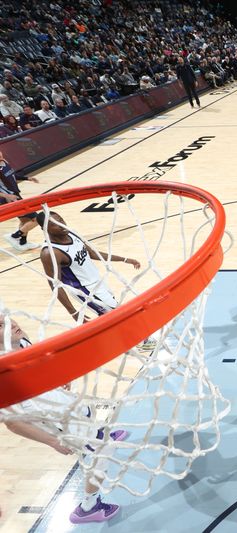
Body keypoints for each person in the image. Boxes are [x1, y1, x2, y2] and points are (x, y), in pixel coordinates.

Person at [0, 315, 127, 524]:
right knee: (105, 449)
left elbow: (43, 363)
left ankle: (97, 435)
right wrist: (52, 442)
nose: (11, 324)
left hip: (67, 402)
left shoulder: (22, 341)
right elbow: (13, 423)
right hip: (60, 424)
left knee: (108, 407)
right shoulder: (4, 375)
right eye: (0, 325)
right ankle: (89, 506)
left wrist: (58, 375)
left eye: (7, 319)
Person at [36, 211, 155, 349]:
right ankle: (143, 343)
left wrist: (124, 259)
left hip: (98, 281)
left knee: (110, 313)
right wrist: (73, 312)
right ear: (45, 229)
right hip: (86, 290)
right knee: (119, 313)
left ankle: (112, 338)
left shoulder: (71, 234)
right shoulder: (50, 253)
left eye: (61, 220)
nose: (61, 225)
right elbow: (55, 285)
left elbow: (92, 253)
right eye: (54, 224)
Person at [1, 150, 41, 251]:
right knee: (37, 219)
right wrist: (6, 195)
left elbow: (12, 176)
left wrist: (27, 178)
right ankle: (14, 236)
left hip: (15, 195)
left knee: (25, 220)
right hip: (8, 199)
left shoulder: (4, 162)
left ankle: (23, 243)